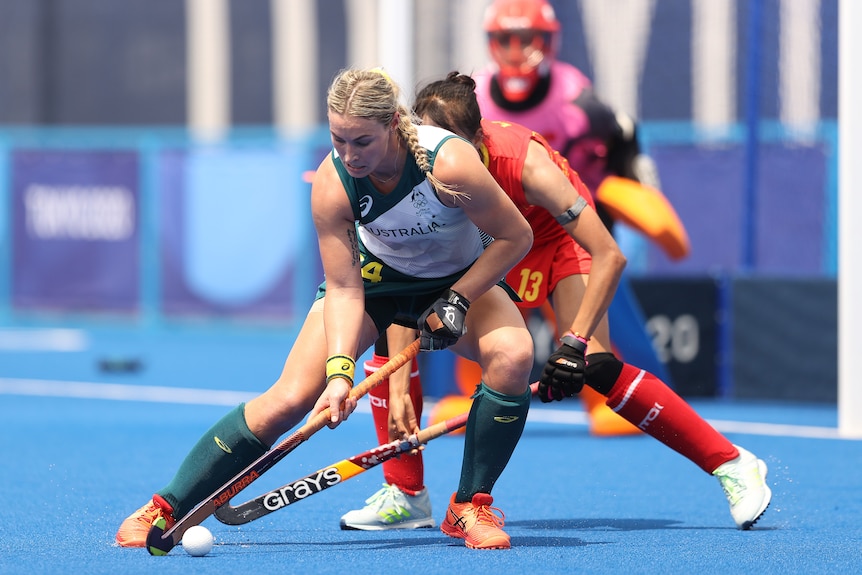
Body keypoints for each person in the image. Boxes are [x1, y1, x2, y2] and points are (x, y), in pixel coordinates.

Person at [115, 67, 536, 551]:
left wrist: (458, 298)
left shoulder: (450, 163)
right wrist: (340, 373)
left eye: (362, 141)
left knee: (513, 354)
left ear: (395, 124)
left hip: (455, 281)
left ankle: (469, 506)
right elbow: (343, 288)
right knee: (291, 397)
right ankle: (164, 506)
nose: (348, 154)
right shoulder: (334, 183)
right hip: (375, 286)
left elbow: (516, 236)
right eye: (338, 139)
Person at [339, 72, 771, 535]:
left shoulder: (527, 166)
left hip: (555, 241)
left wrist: (573, 343)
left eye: (448, 145)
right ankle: (406, 496)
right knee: (398, 330)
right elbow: (406, 280)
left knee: (597, 366)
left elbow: (609, 253)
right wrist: (398, 384)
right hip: (489, 246)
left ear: (477, 140)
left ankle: (732, 463)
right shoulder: (411, 166)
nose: (433, 159)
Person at [474, 0, 685, 436]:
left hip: (564, 227)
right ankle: (476, 393)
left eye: (527, 38)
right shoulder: (472, 99)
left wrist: (629, 195)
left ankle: (621, 394)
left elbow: (618, 148)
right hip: (499, 233)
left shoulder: (577, 100)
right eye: (507, 39)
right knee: (481, 315)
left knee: (594, 339)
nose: (517, 50)